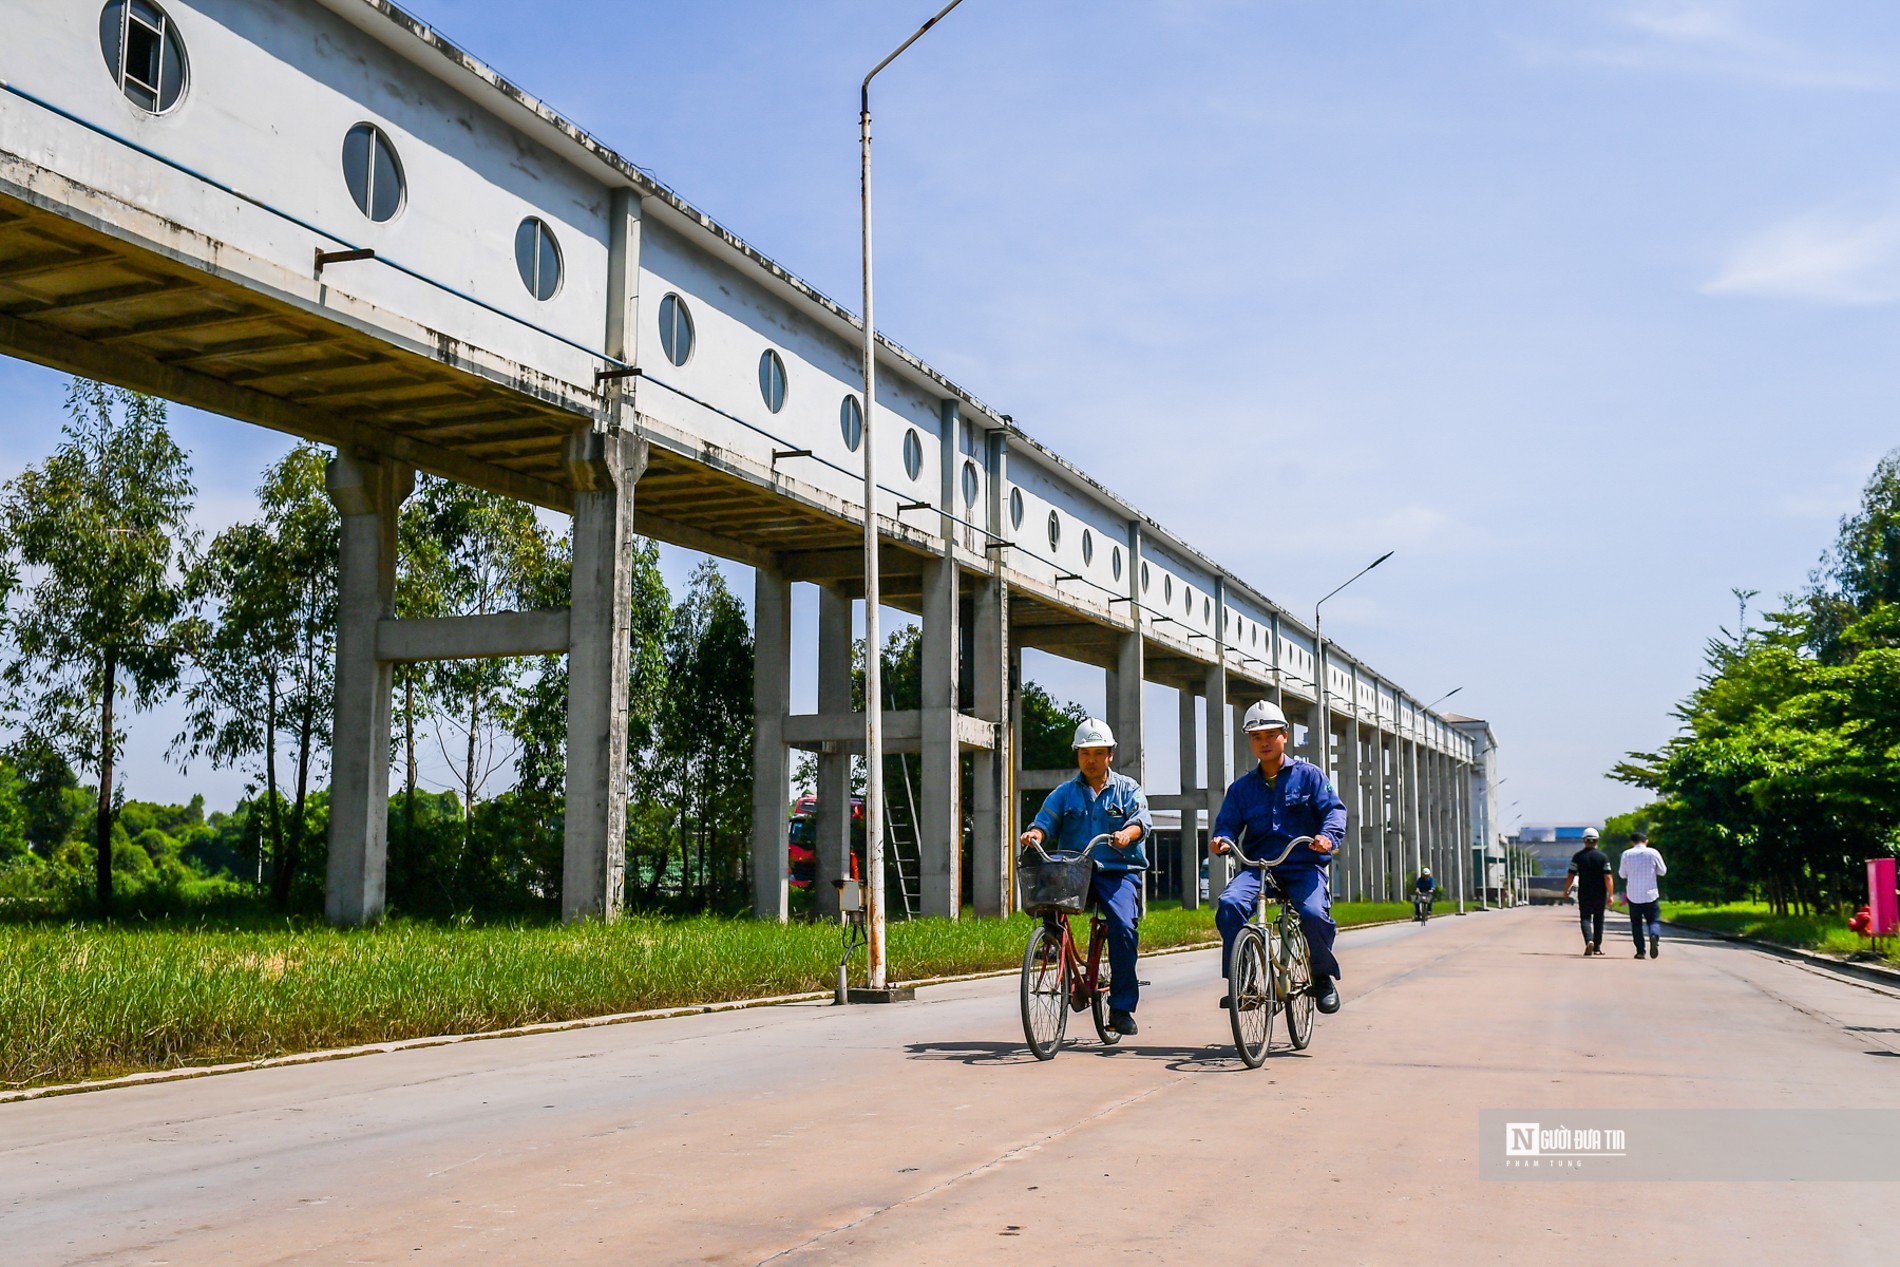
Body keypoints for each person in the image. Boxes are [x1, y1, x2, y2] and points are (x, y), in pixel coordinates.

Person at [1210, 700, 1349, 1014]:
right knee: (1230, 904)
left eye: (1271, 734)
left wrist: (1327, 837)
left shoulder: (1311, 776)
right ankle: (1242, 977)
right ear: (1250, 741)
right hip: (1258, 868)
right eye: (1257, 736)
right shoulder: (1241, 789)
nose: (1264, 742)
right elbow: (1227, 825)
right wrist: (1222, 840)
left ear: (1285, 735)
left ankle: (1322, 976)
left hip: (1303, 866)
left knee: (1314, 914)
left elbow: (1334, 811)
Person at [1019, 717, 1153, 1035]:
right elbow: (1045, 820)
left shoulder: (1127, 789)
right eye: (1084, 753)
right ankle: (1054, 945)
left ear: (1110, 755)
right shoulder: (1065, 793)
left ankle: (1120, 1008)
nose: (1090, 760)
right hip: (1074, 870)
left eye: (1097, 753)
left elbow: (1142, 819)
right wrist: (1034, 834)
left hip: (1117, 872)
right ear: (1078, 756)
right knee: (1046, 900)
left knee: (1122, 927)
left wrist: (1127, 833)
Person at [1563, 827, 1613, 956]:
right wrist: (1611, 894)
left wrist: (1566, 890)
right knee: (1598, 919)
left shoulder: (1578, 857)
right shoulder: (1603, 857)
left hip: (1584, 892)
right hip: (1600, 893)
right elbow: (1608, 877)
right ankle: (1597, 947)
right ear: (1597, 841)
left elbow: (1570, 875)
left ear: (1584, 841)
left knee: (1585, 918)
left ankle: (1589, 940)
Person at [1619, 829, 1667, 958]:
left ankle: (1640, 951)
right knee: (1654, 920)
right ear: (1646, 841)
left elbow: (1622, 874)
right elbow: (1663, 871)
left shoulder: (1626, 854)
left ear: (1632, 842)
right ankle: (1653, 935)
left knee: (1636, 923)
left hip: (1633, 895)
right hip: (1650, 894)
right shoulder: (1653, 852)